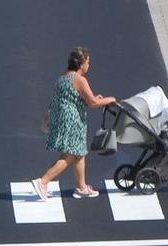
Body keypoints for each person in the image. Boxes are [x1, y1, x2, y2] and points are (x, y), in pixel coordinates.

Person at [33, 47, 116, 201]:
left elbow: (65, 99)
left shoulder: (63, 78)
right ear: (81, 64)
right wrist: (109, 99)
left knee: (79, 153)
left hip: (62, 119)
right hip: (73, 122)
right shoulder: (80, 79)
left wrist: (47, 118)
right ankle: (42, 182)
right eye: (88, 62)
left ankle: (82, 188)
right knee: (69, 156)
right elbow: (93, 102)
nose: (88, 65)